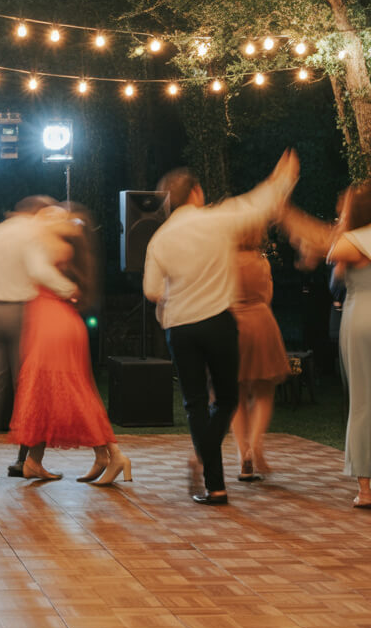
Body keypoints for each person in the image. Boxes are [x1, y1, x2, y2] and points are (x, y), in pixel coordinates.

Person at [143, 150, 298, 505]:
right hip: (218, 321)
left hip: (180, 328)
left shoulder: (160, 239)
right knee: (227, 398)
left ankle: (216, 486)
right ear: (196, 193)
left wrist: (176, 293)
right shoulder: (216, 220)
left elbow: (152, 291)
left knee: (195, 403)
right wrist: (284, 177)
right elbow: (258, 205)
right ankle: (207, 466)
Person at [9, 205, 131, 484]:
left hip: (52, 320)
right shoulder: (62, 242)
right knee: (52, 390)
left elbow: (39, 271)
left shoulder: (43, 241)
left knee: (67, 390)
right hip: (55, 318)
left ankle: (114, 455)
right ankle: (35, 462)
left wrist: (66, 289)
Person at [0, 196, 79, 483]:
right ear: (36, 211)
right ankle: (27, 461)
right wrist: (69, 288)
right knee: (31, 388)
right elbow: (39, 269)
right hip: (25, 313)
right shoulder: (33, 231)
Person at [282, 181, 371, 508]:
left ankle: (366, 488)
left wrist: (289, 216)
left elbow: (329, 248)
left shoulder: (353, 240)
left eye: (345, 206)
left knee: (362, 403)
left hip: (362, 319)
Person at [230, 232, 289, 481]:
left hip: (233, 325)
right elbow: (267, 296)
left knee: (236, 393)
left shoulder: (224, 261)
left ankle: (244, 452)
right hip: (261, 322)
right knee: (264, 391)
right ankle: (255, 443)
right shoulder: (261, 261)